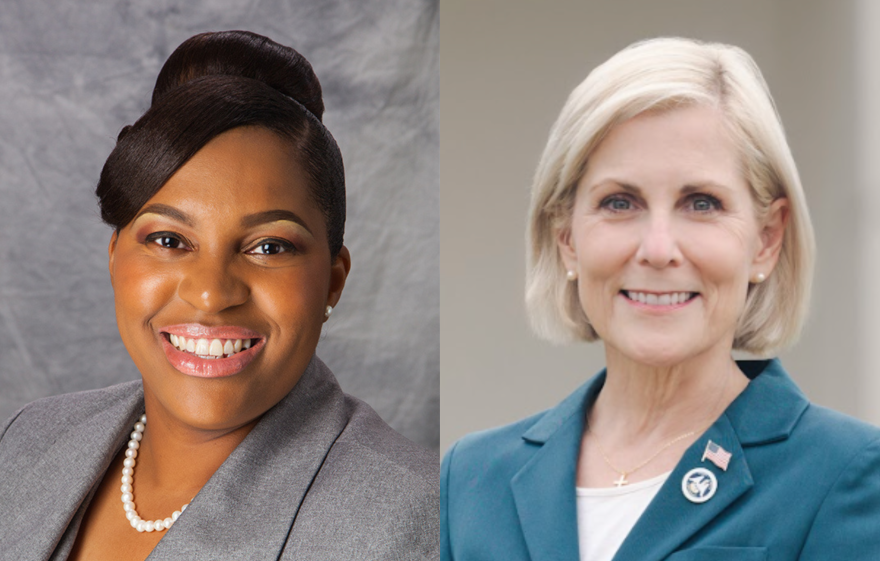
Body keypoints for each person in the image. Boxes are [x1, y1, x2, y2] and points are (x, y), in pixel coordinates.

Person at [0, 31, 438, 561]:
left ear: (333, 280)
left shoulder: (418, 522)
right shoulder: (24, 441)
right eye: (168, 240)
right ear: (115, 257)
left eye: (269, 247)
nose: (211, 294)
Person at [441, 37, 880, 560]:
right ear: (566, 238)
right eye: (619, 202)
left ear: (767, 239)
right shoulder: (469, 478)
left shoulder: (845, 471)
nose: (657, 249)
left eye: (702, 203)